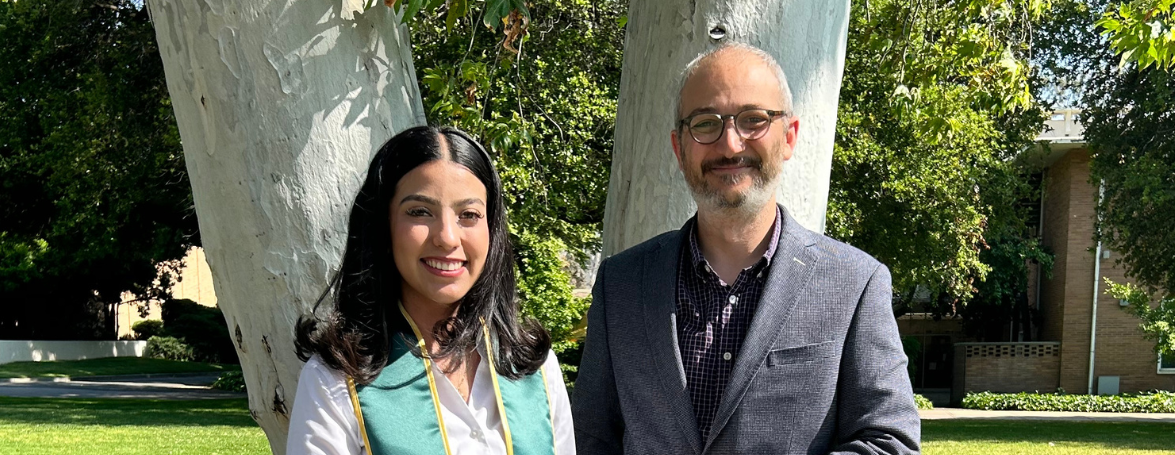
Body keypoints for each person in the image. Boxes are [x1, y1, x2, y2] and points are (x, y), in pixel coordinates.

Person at [573, 43, 921, 454]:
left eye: (753, 120)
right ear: (679, 148)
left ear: (789, 136)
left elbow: (889, 442)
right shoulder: (621, 284)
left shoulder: (855, 283)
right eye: (705, 123)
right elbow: (589, 439)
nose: (731, 145)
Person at [286, 126, 574, 455]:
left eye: (469, 215)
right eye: (420, 212)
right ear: (383, 225)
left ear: (491, 230)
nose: (447, 237)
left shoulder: (533, 369)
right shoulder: (336, 379)